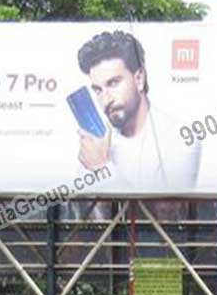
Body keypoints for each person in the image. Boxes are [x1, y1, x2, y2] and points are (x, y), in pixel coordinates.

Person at [76, 30, 202, 190]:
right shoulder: (99, 141)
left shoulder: (181, 138)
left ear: (139, 79)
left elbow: (168, 210)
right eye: (98, 90)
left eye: (113, 83)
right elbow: (85, 210)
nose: (106, 100)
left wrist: (102, 168)